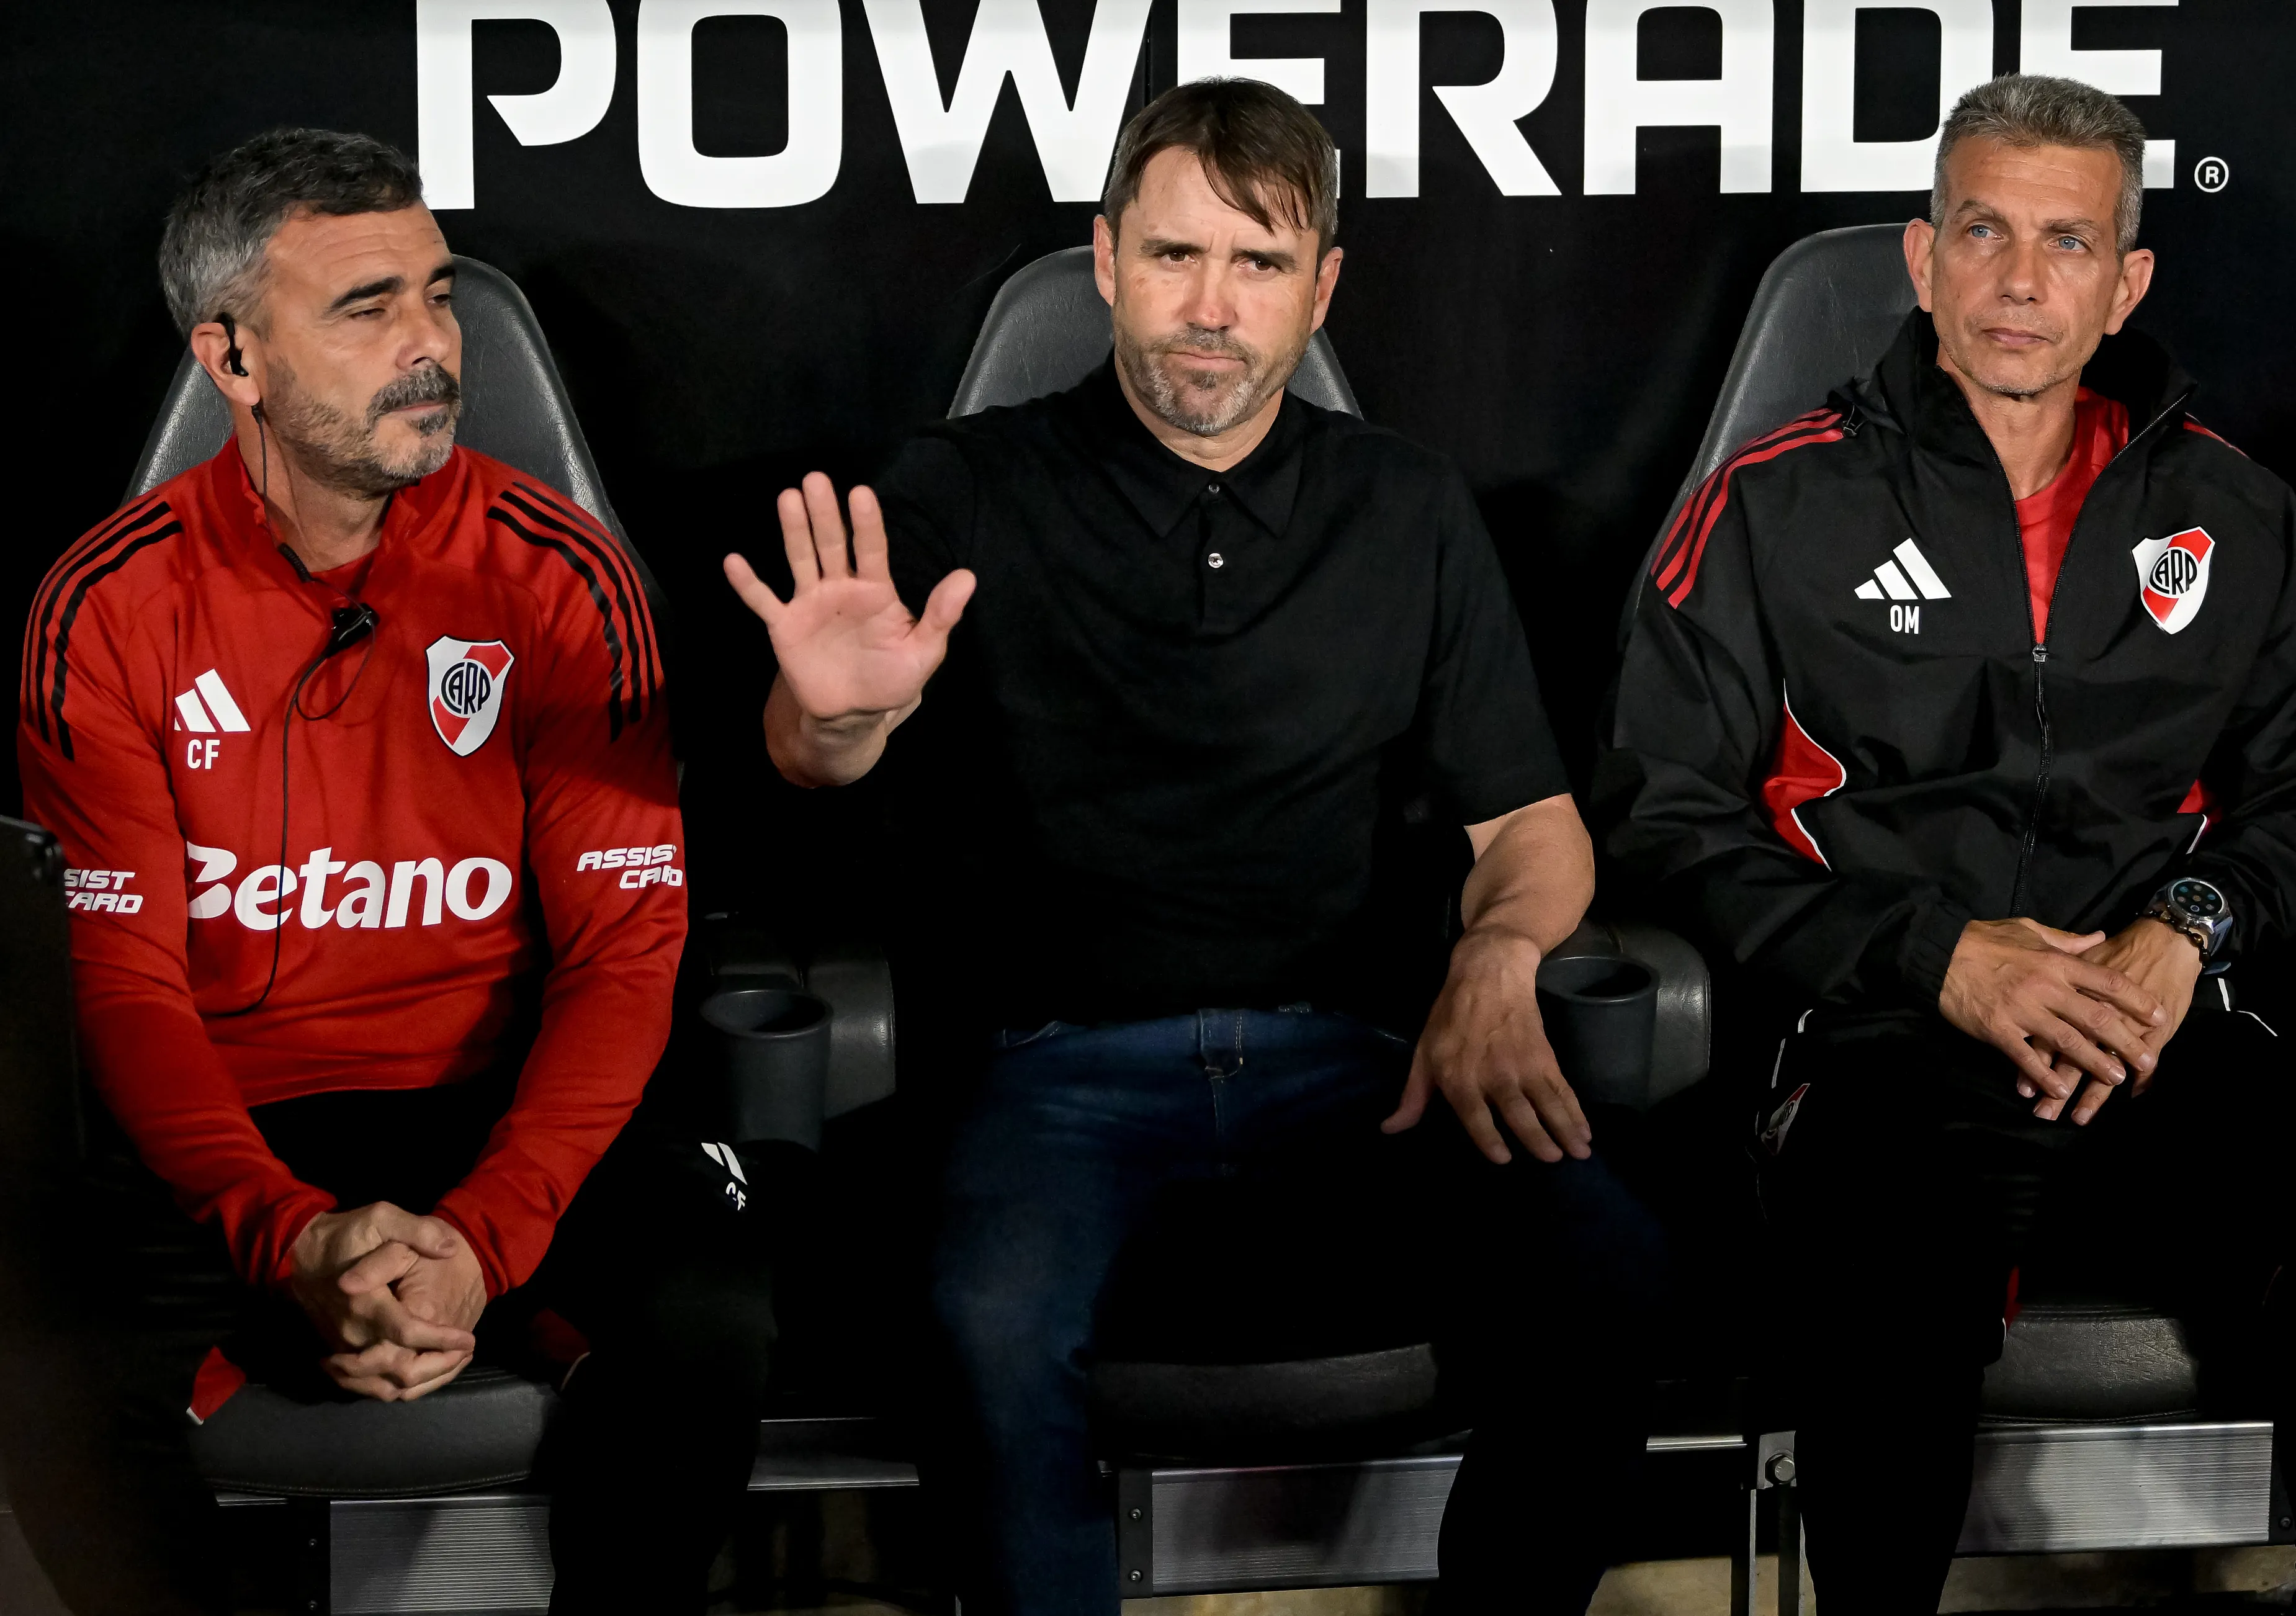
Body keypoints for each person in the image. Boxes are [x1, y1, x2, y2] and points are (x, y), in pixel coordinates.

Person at [724, 77, 1667, 1616]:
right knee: (981, 1327)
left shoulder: (1408, 506)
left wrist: (1497, 952)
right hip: (1052, 1069)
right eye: (1172, 258)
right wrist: (833, 717)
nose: (1210, 310)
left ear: (1322, 289)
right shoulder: (961, 486)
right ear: (1103, 263)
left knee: (1606, 1269)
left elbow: (1532, 827)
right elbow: (805, 759)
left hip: (1362, 1063)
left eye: (1257, 263)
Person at [1, 128, 776, 1616]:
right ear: (230, 358)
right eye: (368, 309)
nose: (432, 345)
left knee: (708, 1311)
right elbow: (126, 985)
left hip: (496, 1099)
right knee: (34, 1351)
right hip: (228, 1118)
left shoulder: (561, 572)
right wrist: (287, 1236)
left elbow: (625, 949)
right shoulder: (103, 608)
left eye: (437, 296)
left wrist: (484, 1242)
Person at [1600, 73, 2296, 1609]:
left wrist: (2185, 928)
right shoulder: (1771, 504)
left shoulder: (2236, 517)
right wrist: (1935, 955)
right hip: (1881, 1050)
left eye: (2064, 242)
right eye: (1981, 230)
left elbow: (2291, 801)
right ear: (1921, 260)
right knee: (1888, 1320)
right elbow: (1662, 821)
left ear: (2124, 286)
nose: (2018, 279)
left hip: (2154, 1037)